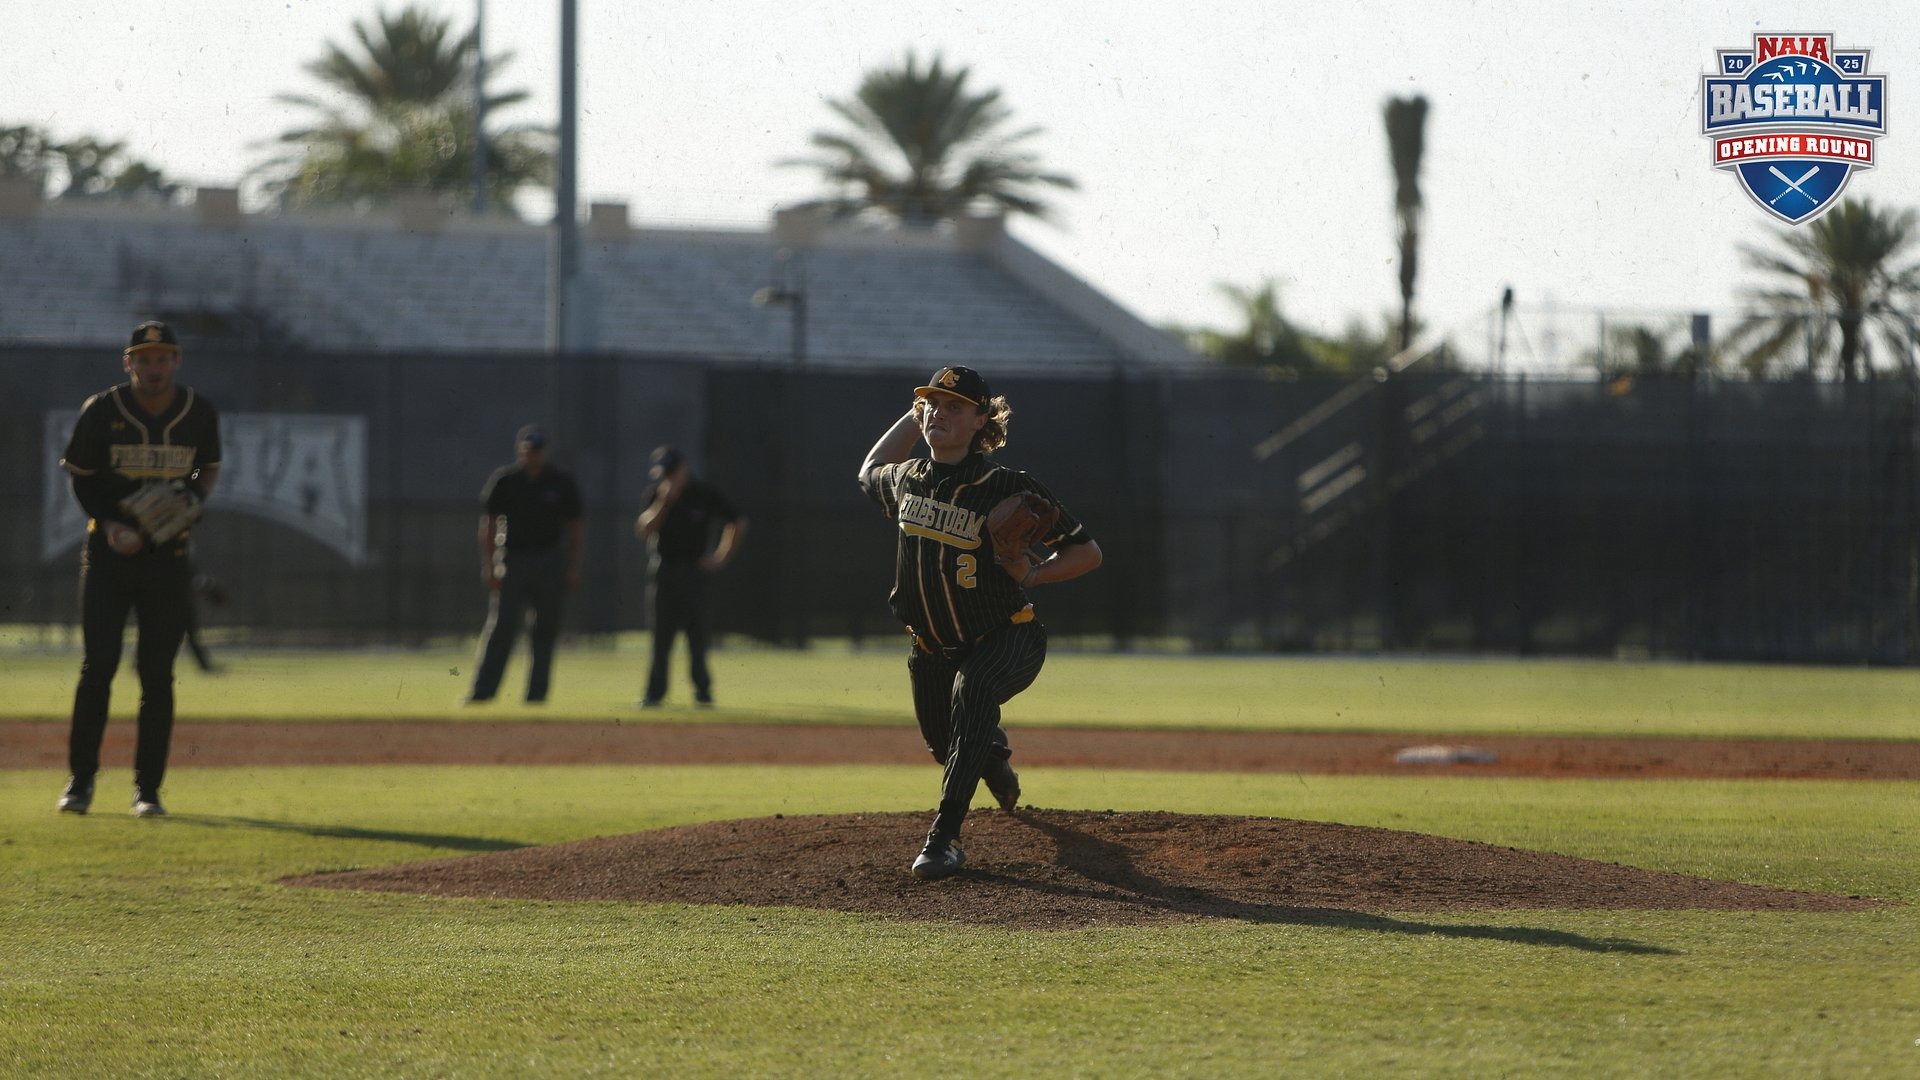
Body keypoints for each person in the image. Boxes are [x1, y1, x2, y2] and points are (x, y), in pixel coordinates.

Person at [857, 365, 1102, 880]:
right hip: (929, 647)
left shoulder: (1007, 486)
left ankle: (944, 839)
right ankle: (991, 756)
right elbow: (870, 469)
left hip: (1007, 635)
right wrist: (912, 412)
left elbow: (1087, 553)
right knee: (942, 742)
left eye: (953, 406)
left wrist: (1034, 574)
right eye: (932, 404)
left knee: (972, 694)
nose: (938, 413)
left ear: (981, 419)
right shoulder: (908, 480)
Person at [56, 320, 222, 817]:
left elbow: (200, 465)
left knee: (157, 674)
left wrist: (187, 493)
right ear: (128, 363)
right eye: (144, 358)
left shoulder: (197, 412)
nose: (154, 367)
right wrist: (108, 523)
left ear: (176, 362)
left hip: (167, 558)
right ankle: (81, 782)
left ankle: (147, 790)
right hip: (109, 555)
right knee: (98, 666)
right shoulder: (102, 411)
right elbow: (83, 479)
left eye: (163, 357)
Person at [466, 424, 585, 704]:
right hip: (513, 559)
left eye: (538, 450)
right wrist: (489, 563)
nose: (533, 455)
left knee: (544, 630)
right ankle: (483, 692)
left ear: (545, 452)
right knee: (502, 626)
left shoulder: (560, 482)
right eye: (529, 450)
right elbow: (489, 524)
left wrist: (573, 566)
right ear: (521, 450)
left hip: (549, 559)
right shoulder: (506, 481)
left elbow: (577, 528)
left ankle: (536, 696)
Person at [633, 446, 745, 707]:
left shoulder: (702, 495)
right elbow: (645, 529)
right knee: (661, 636)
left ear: (683, 469)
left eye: (672, 472)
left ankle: (703, 692)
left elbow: (737, 521)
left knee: (697, 636)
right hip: (664, 569)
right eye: (665, 474)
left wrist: (720, 557)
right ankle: (655, 693)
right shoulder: (656, 495)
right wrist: (664, 502)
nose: (669, 478)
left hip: (694, 571)